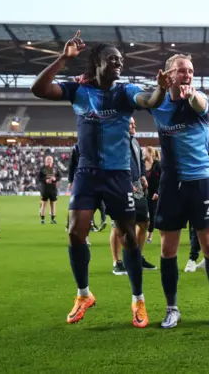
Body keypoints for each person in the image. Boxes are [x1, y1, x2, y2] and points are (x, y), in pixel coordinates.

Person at [30, 31, 172, 327]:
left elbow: (149, 100)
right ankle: (84, 294)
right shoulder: (77, 90)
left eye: (121, 60)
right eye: (112, 59)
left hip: (119, 174)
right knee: (73, 231)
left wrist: (160, 89)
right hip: (86, 172)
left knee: (129, 236)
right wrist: (63, 59)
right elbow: (38, 89)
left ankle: (138, 300)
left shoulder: (124, 91)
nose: (118, 63)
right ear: (97, 62)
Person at [146, 54, 209, 329]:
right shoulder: (159, 105)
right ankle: (172, 308)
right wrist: (159, 88)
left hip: (200, 181)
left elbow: (200, 103)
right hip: (170, 183)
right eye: (182, 71)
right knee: (168, 250)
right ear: (169, 74)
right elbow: (148, 99)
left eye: (190, 70)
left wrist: (191, 95)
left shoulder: (198, 100)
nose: (188, 75)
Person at [110, 117, 157, 275]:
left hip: (137, 187)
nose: (133, 125)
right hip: (121, 187)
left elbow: (141, 163)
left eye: (134, 123)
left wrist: (143, 175)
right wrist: (123, 182)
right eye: (130, 123)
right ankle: (117, 262)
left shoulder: (135, 142)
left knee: (144, 222)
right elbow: (112, 164)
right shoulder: (116, 142)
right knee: (118, 226)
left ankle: (136, 257)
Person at [185, 136, 209, 272]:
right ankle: (205, 258)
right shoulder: (189, 139)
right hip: (189, 184)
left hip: (204, 187)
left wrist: (207, 176)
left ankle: (193, 258)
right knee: (196, 224)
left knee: (203, 224)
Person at [38, 155, 61, 225]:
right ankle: (42, 220)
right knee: (44, 204)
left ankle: (53, 219)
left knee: (53, 204)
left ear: (52, 161)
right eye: (48, 159)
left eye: (50, 159)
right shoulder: (42, 168)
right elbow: (39, 178)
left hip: (53, 188)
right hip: (45, 188)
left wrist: (55, 179)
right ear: (45, 161)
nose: (49, 161)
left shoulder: (55, 168)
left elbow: (59, 176)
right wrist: (45, 180)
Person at [144, 147, 161, 243]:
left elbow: (161, 180)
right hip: (142, 193)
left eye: (145, 152)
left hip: (154, 194)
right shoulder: (141, 164)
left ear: (150, 154)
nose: (143, 154)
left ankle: (149, 236)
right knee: (142, 215)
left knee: (152, 215)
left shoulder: (157, 165)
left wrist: (157, 192)